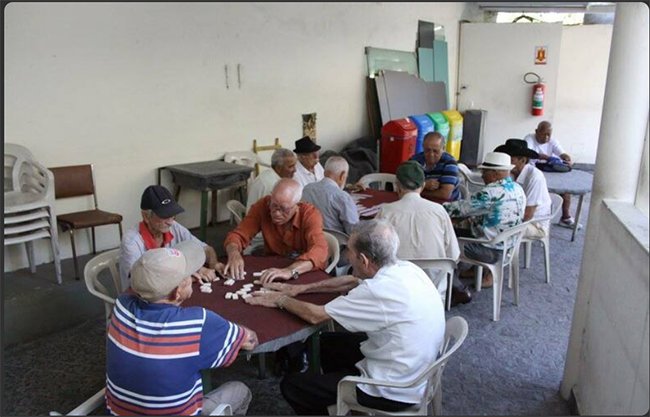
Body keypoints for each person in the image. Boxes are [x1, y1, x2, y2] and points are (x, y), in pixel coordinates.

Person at [244, 219, 445, 415]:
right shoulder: (405, 268)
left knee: (293, 386)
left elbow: (316, 315)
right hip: (417, 369)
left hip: (392, 390)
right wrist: (299, 289)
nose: (347, 256)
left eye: (350, 251)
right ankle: (341, 400)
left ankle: (345, 397)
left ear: (364, 260)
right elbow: (351, 280)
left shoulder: (377, 291)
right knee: (325, 344)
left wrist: (280, 299)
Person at [106, 240, 258, 416]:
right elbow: (250, 340)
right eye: (188, 275)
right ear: (177, 292)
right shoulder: (198, 323)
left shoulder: (120, 306)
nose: (193, 276)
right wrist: (228, 328)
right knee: (241, 390)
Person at [376, 161, 459, 301]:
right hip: (433, 288)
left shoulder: (386, 212)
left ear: (397, 186)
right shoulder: (439, 210)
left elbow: (376, 252)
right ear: (422, 186)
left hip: (396, 288)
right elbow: (454, 255)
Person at [443, 152, 526, 288]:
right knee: (456, 230)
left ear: (495, 173)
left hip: (490, 252)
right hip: (508, 246)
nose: (482, 175)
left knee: (445, 242)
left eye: (485, 172)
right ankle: (467, 275)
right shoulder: (518, 189)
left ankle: (455, 289)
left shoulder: (490, 193)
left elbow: (459, 209)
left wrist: (435, 207)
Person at [119, 185, 224, 290]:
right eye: (164, 215)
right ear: (146, 216)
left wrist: (214, 264)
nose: (170, 221)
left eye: (172, 214)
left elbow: (206, 249)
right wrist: (190, 273)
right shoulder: (131, 241)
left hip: (171, 291)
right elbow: (143, 284)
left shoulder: (174, 227)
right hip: (142, 298)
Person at [223, 178, 328, 283]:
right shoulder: (263, 206)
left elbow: (320, 250)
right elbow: (238, 235)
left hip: (301, 270)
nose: (277, 213)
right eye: (274, 205)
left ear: (297, 205)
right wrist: (234, 253)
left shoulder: (310, 215)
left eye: (284, 209)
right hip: (272, 266)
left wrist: (290, 271)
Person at [495, 139, 552, 239]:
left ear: (523, 160)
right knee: (485, 223)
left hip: (534, 224)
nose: (506, 163)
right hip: (515, 217)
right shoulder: (510, 173)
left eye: (510, 160)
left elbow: (528, 214)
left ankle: (501, 253)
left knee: (492, 227)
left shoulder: (535, 177)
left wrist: (501, 219)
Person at [524, 121, 576, 227]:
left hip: (549, 170)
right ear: (537, 131)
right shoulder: (529, 139)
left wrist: (566, 158)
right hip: (532, 170)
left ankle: (565, 217)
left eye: (549, 134)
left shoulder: (552, 141)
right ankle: (529, 217)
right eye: (544, 134)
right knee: (535, 191)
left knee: (566, 190)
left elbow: (561, 153)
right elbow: (530, 154)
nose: (547, 137)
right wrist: (548, 157)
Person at [302, 156, 359, 235]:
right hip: (337, 244)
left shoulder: (307, 189)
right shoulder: (342, 197)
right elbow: (353, 231)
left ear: (325, 173)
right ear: (342, 176)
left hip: (311, 239)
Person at [409, 131, 461, 202]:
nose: (431, 154)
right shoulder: (414, 160)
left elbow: (444, 195)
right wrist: (424, 184)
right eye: (427, 150)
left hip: (447, 206)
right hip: (420, 203)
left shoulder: (450, 162)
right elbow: (405, 186)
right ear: (423, 147)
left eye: (435, 151)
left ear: (443, 148)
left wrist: (418, 190)